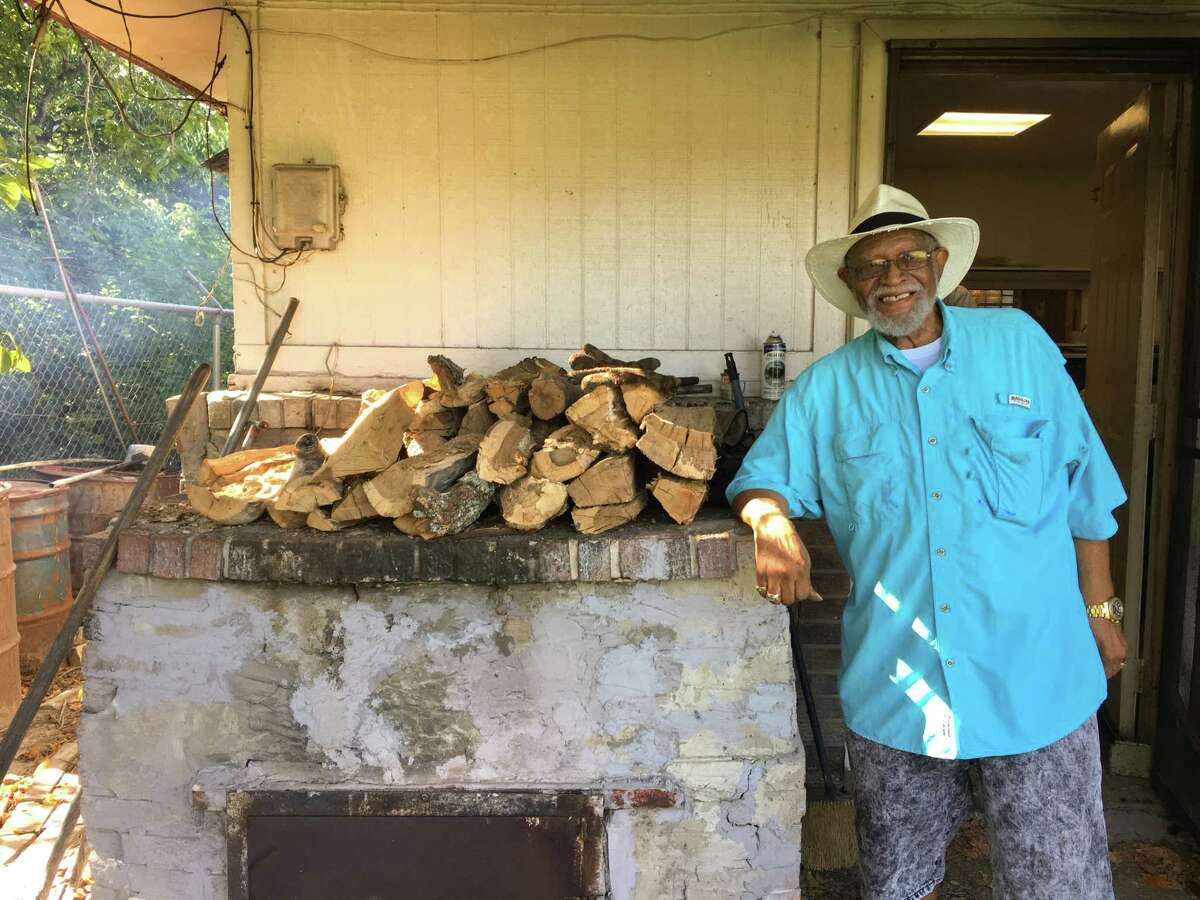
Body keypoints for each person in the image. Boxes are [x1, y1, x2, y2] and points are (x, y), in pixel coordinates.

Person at [727, 184, 1128, 900]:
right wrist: (772, 522)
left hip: (1038, 676)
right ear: (851, 286)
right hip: (899, 690)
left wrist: (1100, 610)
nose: (891, 279)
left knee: (1059, 883)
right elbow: (762, 480)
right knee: (898, 885)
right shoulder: (824, 392)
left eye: (907, 257)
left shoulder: (1020, 344)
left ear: (939, 262)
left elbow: (1083, 482)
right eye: (870, 268)